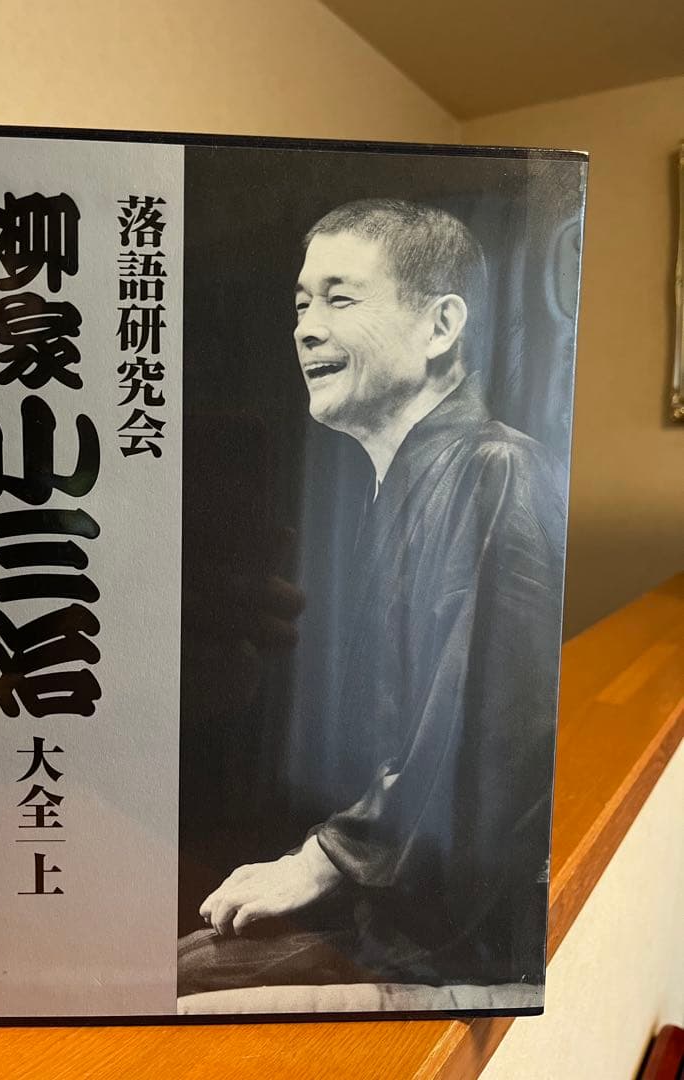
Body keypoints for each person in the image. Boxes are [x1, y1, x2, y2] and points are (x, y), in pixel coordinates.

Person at [178, 199, 565, 997]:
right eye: (301, 305)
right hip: (386, 915)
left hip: (442, 943)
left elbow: (480, 739)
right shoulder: (405, 480)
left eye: (339, 298)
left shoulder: (495, 470)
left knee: (172, 996)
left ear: (440, 326)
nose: (306, 329)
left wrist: (324, 859)